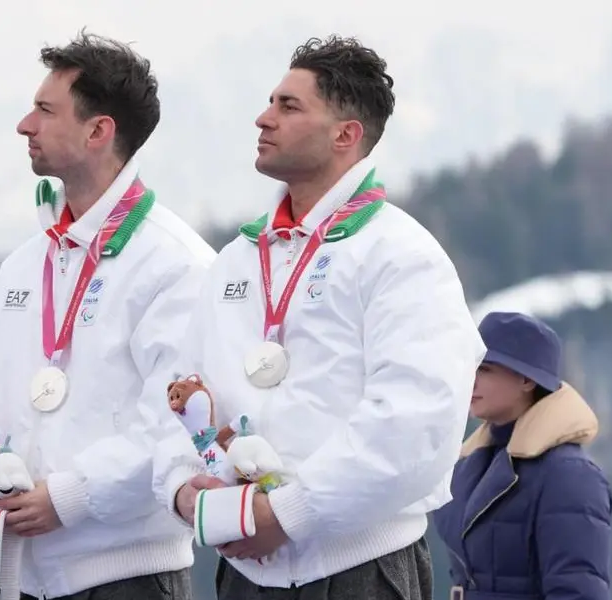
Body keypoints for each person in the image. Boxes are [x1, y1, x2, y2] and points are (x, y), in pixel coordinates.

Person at [152, 35, 486, 600]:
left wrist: (288, 514)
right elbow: (180, 395)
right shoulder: (237, 258)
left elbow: (414, 421)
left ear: (345, 134)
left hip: (360, 571)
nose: (263, 118)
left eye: (289, 106)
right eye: (270, 102)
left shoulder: (401, 253)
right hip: (242, 573)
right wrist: (182, 489)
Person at [0, 32, 215, 600]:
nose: (24, 125)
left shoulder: (175, 263)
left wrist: (70, 496)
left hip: (125, 577)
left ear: (98, 130)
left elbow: (174, 422)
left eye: (44, 110)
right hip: (13, 573)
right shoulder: (24, 264)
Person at [432, 311, 612, 600]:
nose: (470, 380)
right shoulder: (470, 464)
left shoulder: (568, 475)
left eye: (485, 369)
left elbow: (578, 592)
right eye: (470, 366)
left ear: (527, 380)